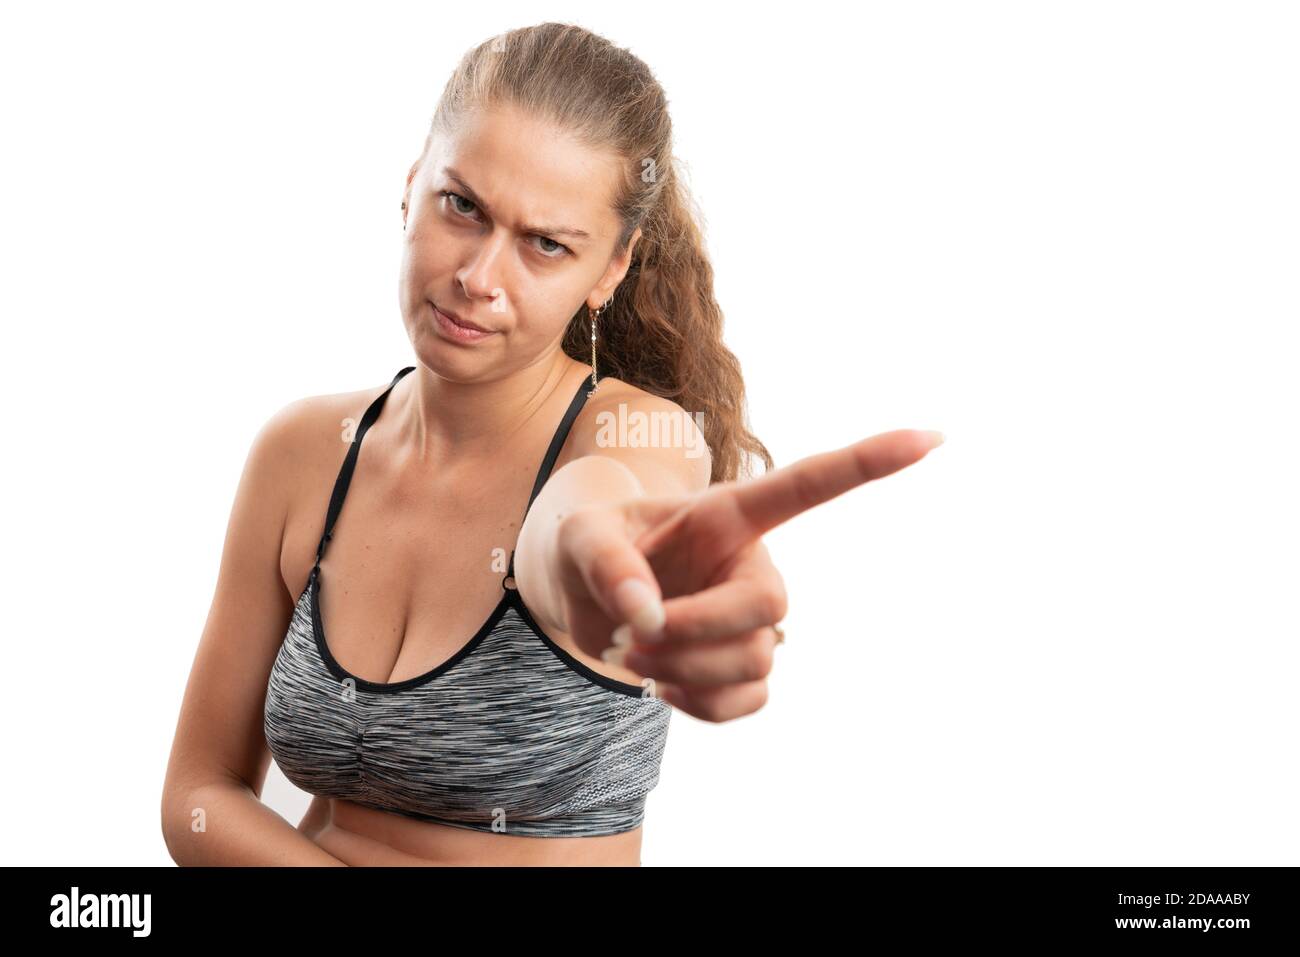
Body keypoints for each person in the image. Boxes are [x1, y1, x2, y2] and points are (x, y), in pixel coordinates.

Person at [161, 22, 942, 867]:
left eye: (546, 244)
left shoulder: (630, 437)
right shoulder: (305, 449)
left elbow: (583, 520)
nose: (479, 277)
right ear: (412, 181)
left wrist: (600, 569)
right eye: (461, 206)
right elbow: (197, 793)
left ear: (609, 269)